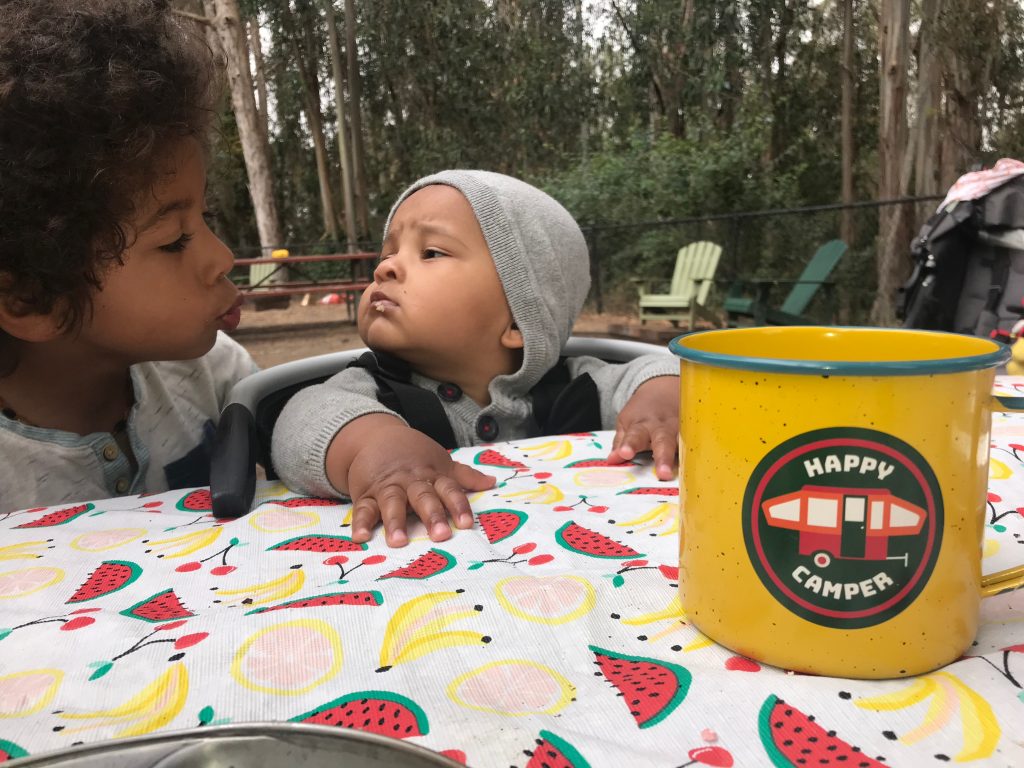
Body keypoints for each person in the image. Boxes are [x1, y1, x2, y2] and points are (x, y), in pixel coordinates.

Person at [272, 170, 680, 547]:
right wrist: (373, 446)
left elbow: (658, 369)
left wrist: (662, 402)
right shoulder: (372, 391)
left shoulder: (579, 387)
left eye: (430, 252)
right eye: (387, 254)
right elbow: (297, 420)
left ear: (521, 320)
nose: (386, 269)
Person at [0, 0, 257, 512]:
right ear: (32, 298)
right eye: (173, 241)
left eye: (205, 220)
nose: (222, 258)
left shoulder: (214, 374)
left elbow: (302, 417)